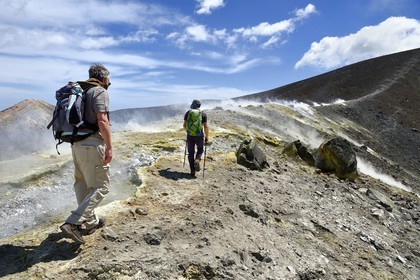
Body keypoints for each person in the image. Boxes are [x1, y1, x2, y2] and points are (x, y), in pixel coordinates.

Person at [60, 63, 112, 244]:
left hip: (76, 144)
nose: (109, 82)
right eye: (109, 79)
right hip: (92, 144)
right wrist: (109, 146)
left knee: (82, 183)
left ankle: (90, 223)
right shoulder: (99, 91)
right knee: (101, 186)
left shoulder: (81, 90)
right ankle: (73, 223)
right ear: (103, 77)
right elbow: (102, 120)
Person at [183, 99, 209, 177]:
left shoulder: (188, 113)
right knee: (200, 149)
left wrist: (188, 131)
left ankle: (192, 171)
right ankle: (197, 159)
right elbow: (206, 126)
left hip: (190, 135)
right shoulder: (203, 114)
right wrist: (207, 137)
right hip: (199, 135)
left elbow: (184, 125)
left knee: (190, 153)